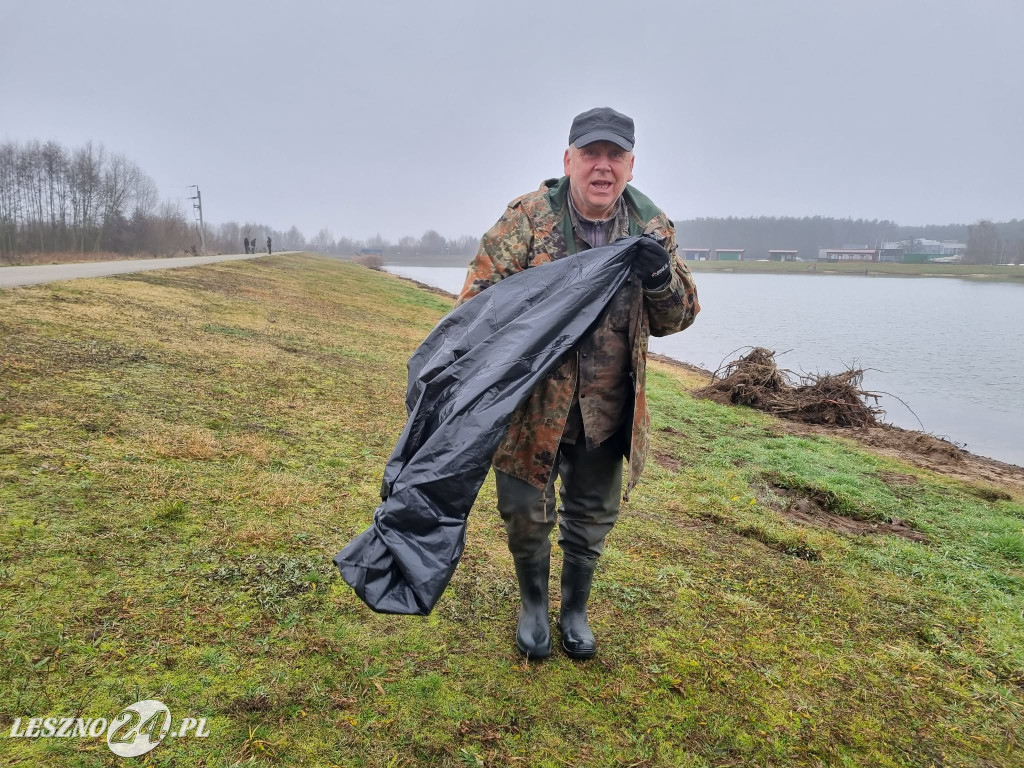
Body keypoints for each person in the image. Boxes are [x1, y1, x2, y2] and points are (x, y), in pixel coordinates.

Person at [457, 107, 700, 660]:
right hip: (530, 406)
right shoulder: (526, 220)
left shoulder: (653, 227)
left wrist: (660, 277)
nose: (602, 167)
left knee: (592, 516)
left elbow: (679, 317)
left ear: (631, 167)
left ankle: (574, 610)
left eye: (615, 156)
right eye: (591, 154)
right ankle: (534, 605)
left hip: (606, 405)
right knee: (524, 511)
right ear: (569, 160)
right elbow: (476, 308)